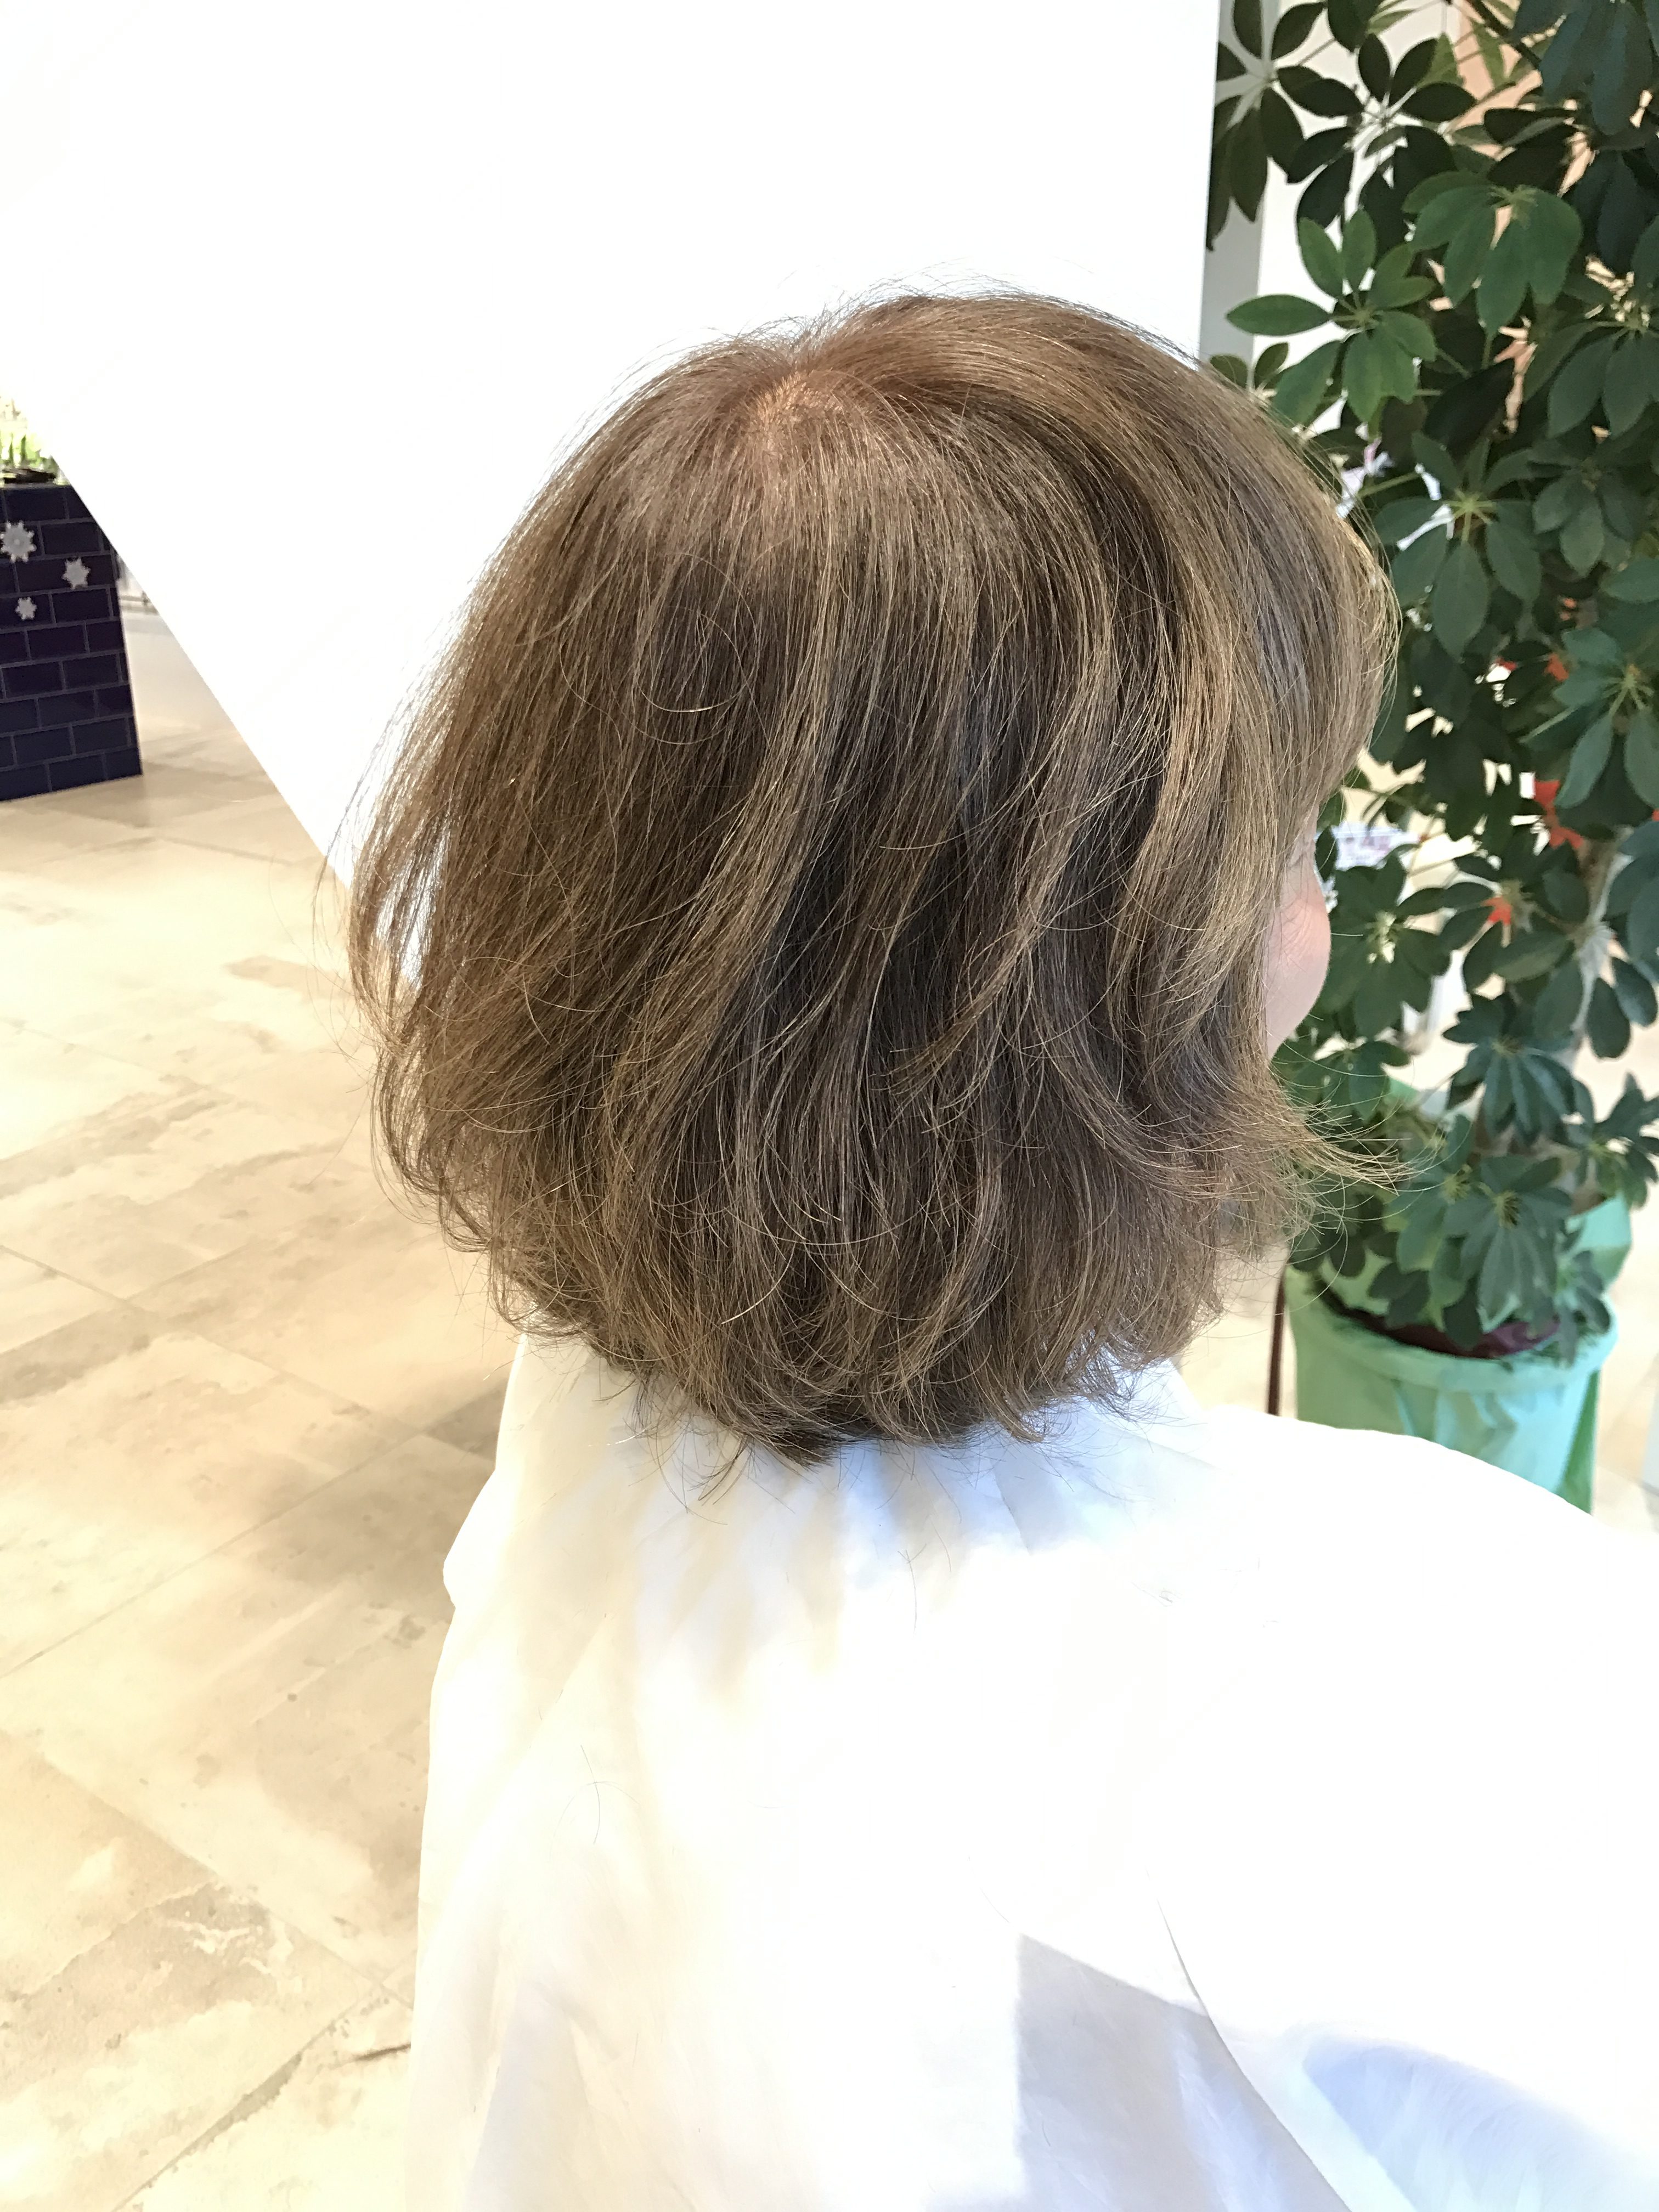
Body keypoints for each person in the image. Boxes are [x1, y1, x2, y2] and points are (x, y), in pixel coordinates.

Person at [346, 292, 1659, 2210]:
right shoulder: (1401, 1717)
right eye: (1297, 848)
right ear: (1088, 1002)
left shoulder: (571, 1471)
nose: (1318, 922)